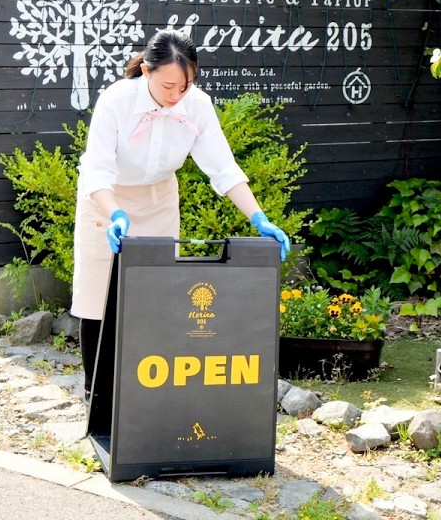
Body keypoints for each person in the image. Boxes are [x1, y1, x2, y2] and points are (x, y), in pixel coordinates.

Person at [72, 28, 290, 399]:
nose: (176, 96)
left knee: (157, 295)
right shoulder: (116, 100)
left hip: (158, 198)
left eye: (184, 87)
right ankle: (98, 397)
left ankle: (148, 390)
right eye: (168, 86)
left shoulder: (198, 105)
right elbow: (97, 170)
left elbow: (222, 167)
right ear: (146, 72)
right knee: (98, 294)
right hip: (106, 198)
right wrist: (115, 214)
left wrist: (259, 217)